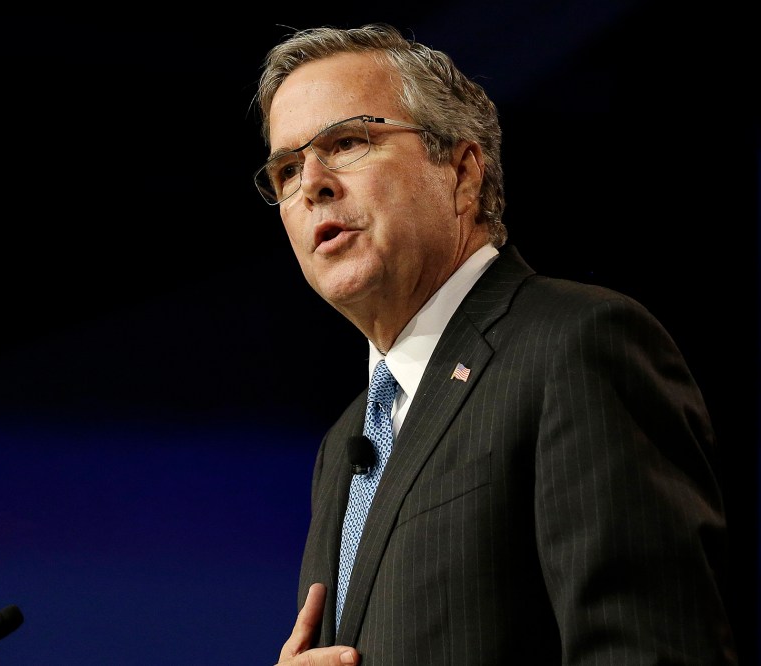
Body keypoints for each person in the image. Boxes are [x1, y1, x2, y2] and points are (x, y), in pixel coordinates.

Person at [251, 23, 738, 664]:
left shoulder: (576, 345)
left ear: (461, 172)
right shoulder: (344, 442)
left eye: (347, 142)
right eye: (287, 169)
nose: (312, 181)